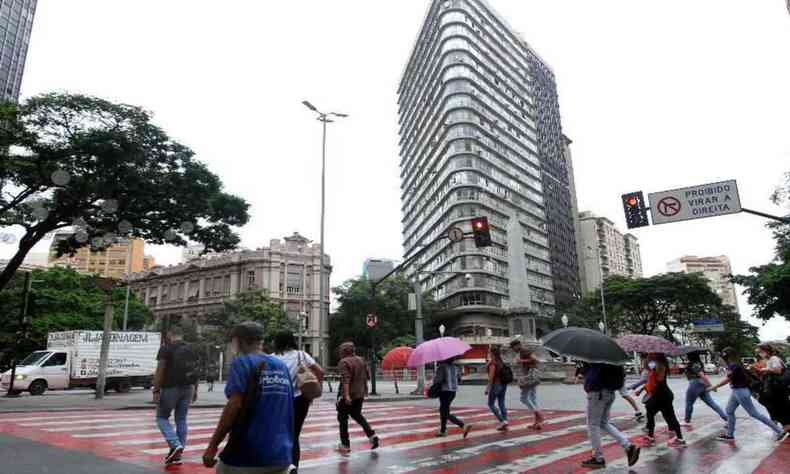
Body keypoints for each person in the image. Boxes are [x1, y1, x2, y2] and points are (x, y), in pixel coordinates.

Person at [202, 322, 294, 474]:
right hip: (282, 453)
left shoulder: (242, 362)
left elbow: (234, 405)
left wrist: (212, 446)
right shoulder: (281, 365)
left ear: (239, 341)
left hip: (248, 453)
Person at [273, 331, 325, 473]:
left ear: (277, 342)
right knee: (294, 435)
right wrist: (313, 392)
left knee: (278, 433)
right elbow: (320, 372)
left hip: (279, 401)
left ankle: (280, 466)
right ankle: (293, 468)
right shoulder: (301, 355)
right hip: (300, 399)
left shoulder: (271, 358)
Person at [709, 347, 783, 442]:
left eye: (722, 356)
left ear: (726, 356)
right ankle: (729, 435)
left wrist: (714, 386)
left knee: (754, 413)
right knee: (729, 410)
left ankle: (779, 431)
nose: (721, 359)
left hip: (740, 392)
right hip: (737, 391)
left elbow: (728, 379)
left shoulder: (734, 366)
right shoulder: (735, 364)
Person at [579, 363, 641, 469]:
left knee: (593, 425)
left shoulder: (597, 359)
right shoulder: (613, 359)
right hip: (609, 393)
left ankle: (598, 458)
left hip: (597, 393)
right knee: (603, 423)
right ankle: (628, 446)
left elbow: (592, 376)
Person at [153, 325, 200, 466]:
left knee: (161, 417)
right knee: (181, 419)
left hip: (170, 388)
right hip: (188, 387)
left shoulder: (166, 348)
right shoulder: (192, 349)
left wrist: (156, 390)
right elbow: (196, 370)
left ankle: (175, 445)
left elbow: (160, 370)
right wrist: (195, 390)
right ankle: (178, 453)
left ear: (169, 334)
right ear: (182, 335)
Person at [336, 342, 379, 454]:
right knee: (357, 415)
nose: (340, 352)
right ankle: (372, 435)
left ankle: (345, 444)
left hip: (349, 395)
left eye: (341, 350)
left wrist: (346, 396)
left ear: (345, 351)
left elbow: (346, 380)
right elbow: (367, 376)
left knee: (342, 419)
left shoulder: (344, 362)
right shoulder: (361, 360)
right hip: (360, 394)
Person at [636, 353, 685, 447]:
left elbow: (659, 380)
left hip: (662, 396)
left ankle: (680, 438)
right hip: (660, 395)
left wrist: (653, 370)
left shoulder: (660, 365)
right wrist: (642, 389)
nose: (649, 356)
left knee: (669, 416)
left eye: (651, 355)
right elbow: (651, 381)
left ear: (656, 355)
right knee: (651, 413)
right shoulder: (655, 364)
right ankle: (651, 435)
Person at [752, 344, 790, 441]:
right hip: (776, 388)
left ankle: (786, 427)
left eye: (760, 352)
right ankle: (785, 427)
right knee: (779, 407)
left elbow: (778, 370)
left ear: (766, 351)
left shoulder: (774, 358)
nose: (760, 354)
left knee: (781, 407)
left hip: (779, 388)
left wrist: (766, 369)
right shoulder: (770, 360)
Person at [684, 351, 727, 426]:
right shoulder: (699, 363)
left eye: (687, 355)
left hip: (695, 383)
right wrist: (709, 386)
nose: (686, 356)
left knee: (689, 403)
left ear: (690, 356)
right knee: (711, 403)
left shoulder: (693, 364)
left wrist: (711, 386)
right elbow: (703, 376)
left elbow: (702, 375)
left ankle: (687, 420)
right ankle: (725, 417)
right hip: (702, 384)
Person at [509, 339, 545, 429]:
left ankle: (539, 415)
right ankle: (537, 422)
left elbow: (536, 360)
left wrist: (521, 361)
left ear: (518, 345)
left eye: (513, 347)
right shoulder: (522, 352)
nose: (513, 349)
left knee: (524, 398)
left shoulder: (524, 351)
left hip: (529, 377)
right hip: (530, 377)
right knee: (533, 398)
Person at [434, 356, 472, 438]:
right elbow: (459, 380)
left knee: (444, 412)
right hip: (453, 392)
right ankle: (443, 430)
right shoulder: (455, 368)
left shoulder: (442, 367)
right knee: (443, 410)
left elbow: (438, 380)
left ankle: (462, 425)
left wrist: (435, 380)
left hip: (444, 391)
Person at [485, 345, 509, 431]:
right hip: (503, 384)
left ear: (491, 353)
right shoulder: (501, 361)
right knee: (501, 403)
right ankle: (505, 420)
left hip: (496, 384)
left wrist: (488, 388)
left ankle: (502, 421)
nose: (488, 353)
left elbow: (491, 377)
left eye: (489, 352)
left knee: (491, 404)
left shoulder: (493, 363)